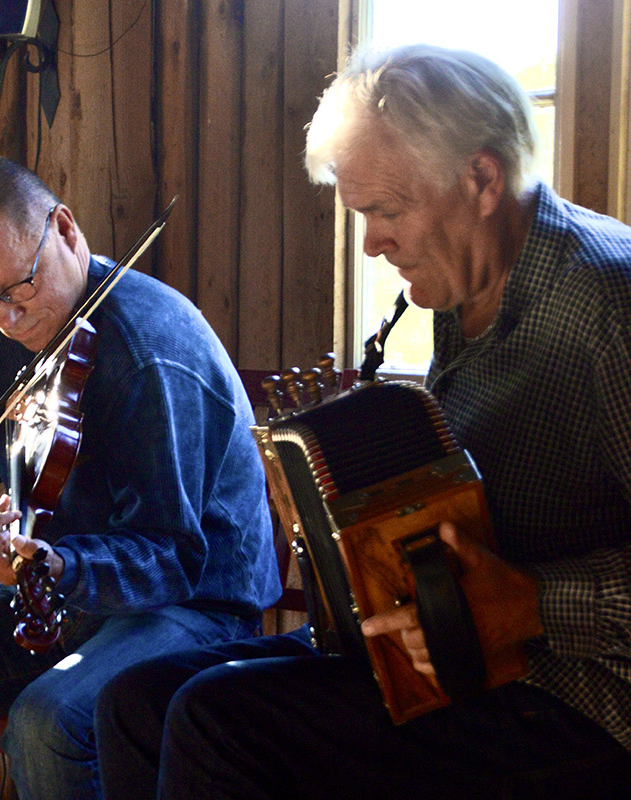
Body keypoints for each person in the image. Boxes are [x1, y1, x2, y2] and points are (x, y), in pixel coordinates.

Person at [94, 44, 631, 799]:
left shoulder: (608, 302)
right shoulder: (461, 292)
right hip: (455, 663)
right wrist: (329, 527)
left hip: (581, 705)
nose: (374, 243)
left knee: (217, 721)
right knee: (135, 704)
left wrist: (534, 603)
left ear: (480, 179)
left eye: (387, 211)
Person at [0, 156, 281, 800]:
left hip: (193, 604)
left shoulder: (148, 353)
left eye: (19, 288)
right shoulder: (0, 336)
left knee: (49, 722)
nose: (9, 318)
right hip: (62, 597)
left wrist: (52, 563)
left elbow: (172, 556)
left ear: (67, 230)